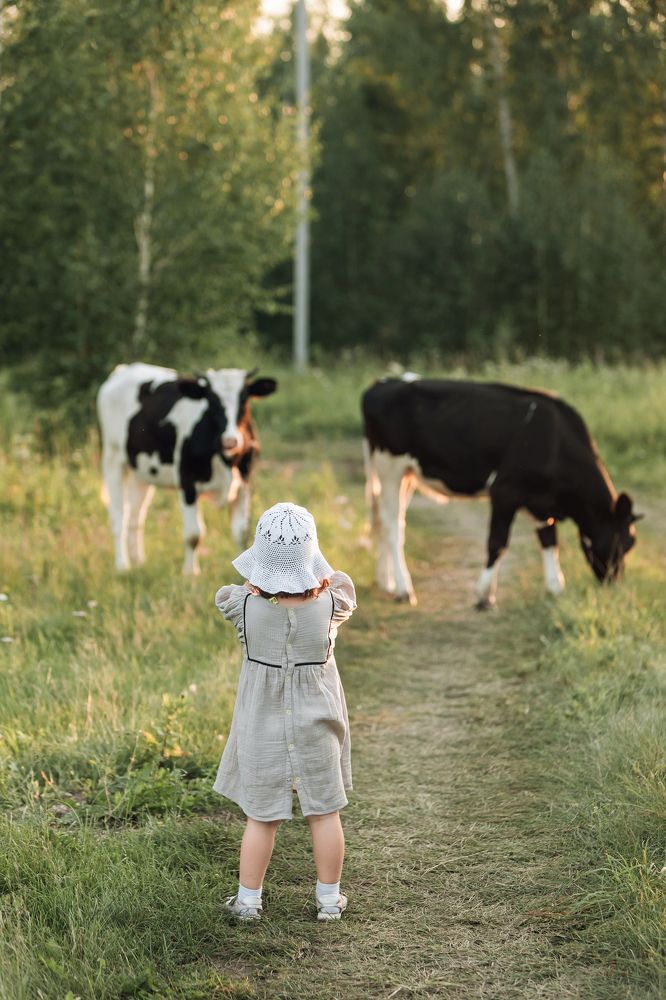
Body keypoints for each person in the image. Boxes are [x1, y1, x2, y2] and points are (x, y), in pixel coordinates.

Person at [213, 501, 356, 922]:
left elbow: (232, 592)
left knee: (261, 818)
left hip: (262, 729)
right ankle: (329, 900)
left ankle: (248, 901)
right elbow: (341, 584)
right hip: (319, 728)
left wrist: (258, 586)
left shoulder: (243, 608)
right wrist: (318, 577)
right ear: (311, 561)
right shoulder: (333, 607)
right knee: (324, 812)